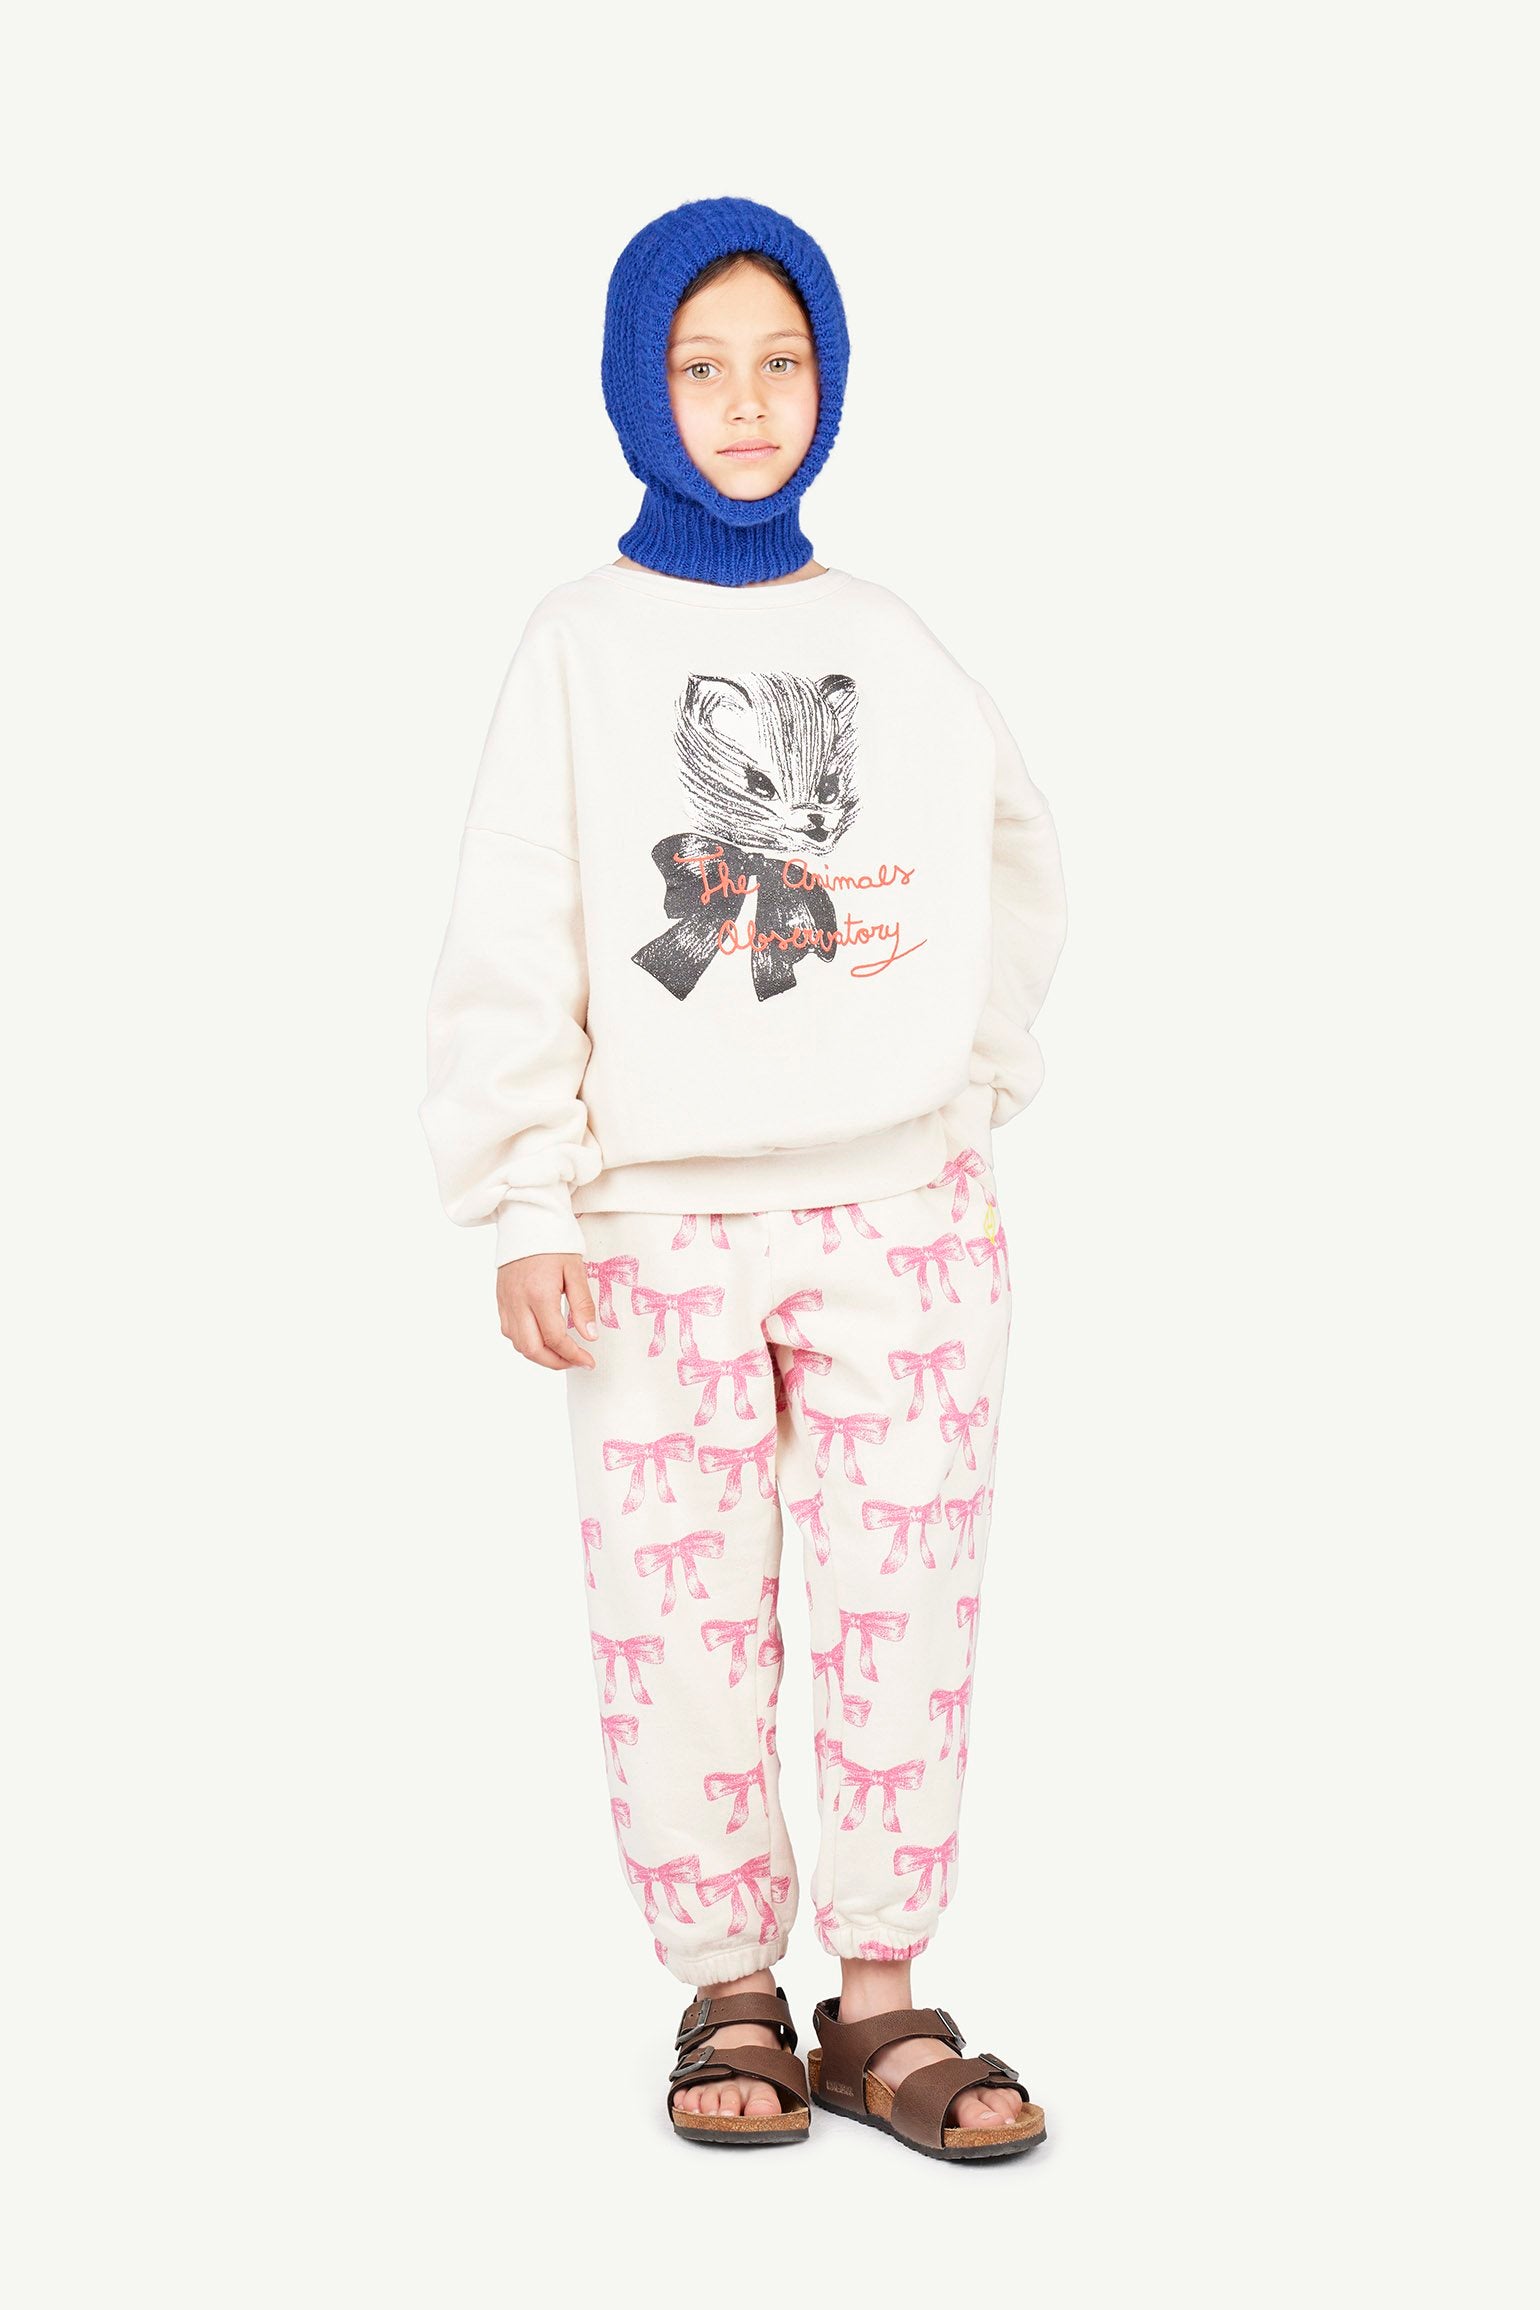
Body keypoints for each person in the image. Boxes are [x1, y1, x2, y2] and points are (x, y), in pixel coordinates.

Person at [421, 195, 1068, 2161]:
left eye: (782, 362)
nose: (747, 401)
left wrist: (962, 1078)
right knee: (675, 1605)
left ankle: (880, 1994)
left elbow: (1018, 855)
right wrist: (528, 1197)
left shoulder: (884, 641)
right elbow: (518, 927)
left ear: (831, 383)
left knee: (904, 1584)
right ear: (639, 389)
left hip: (901, 1215)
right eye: (700, 366)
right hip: (654, 1221)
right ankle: (725, 1978)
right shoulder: (579, 645)